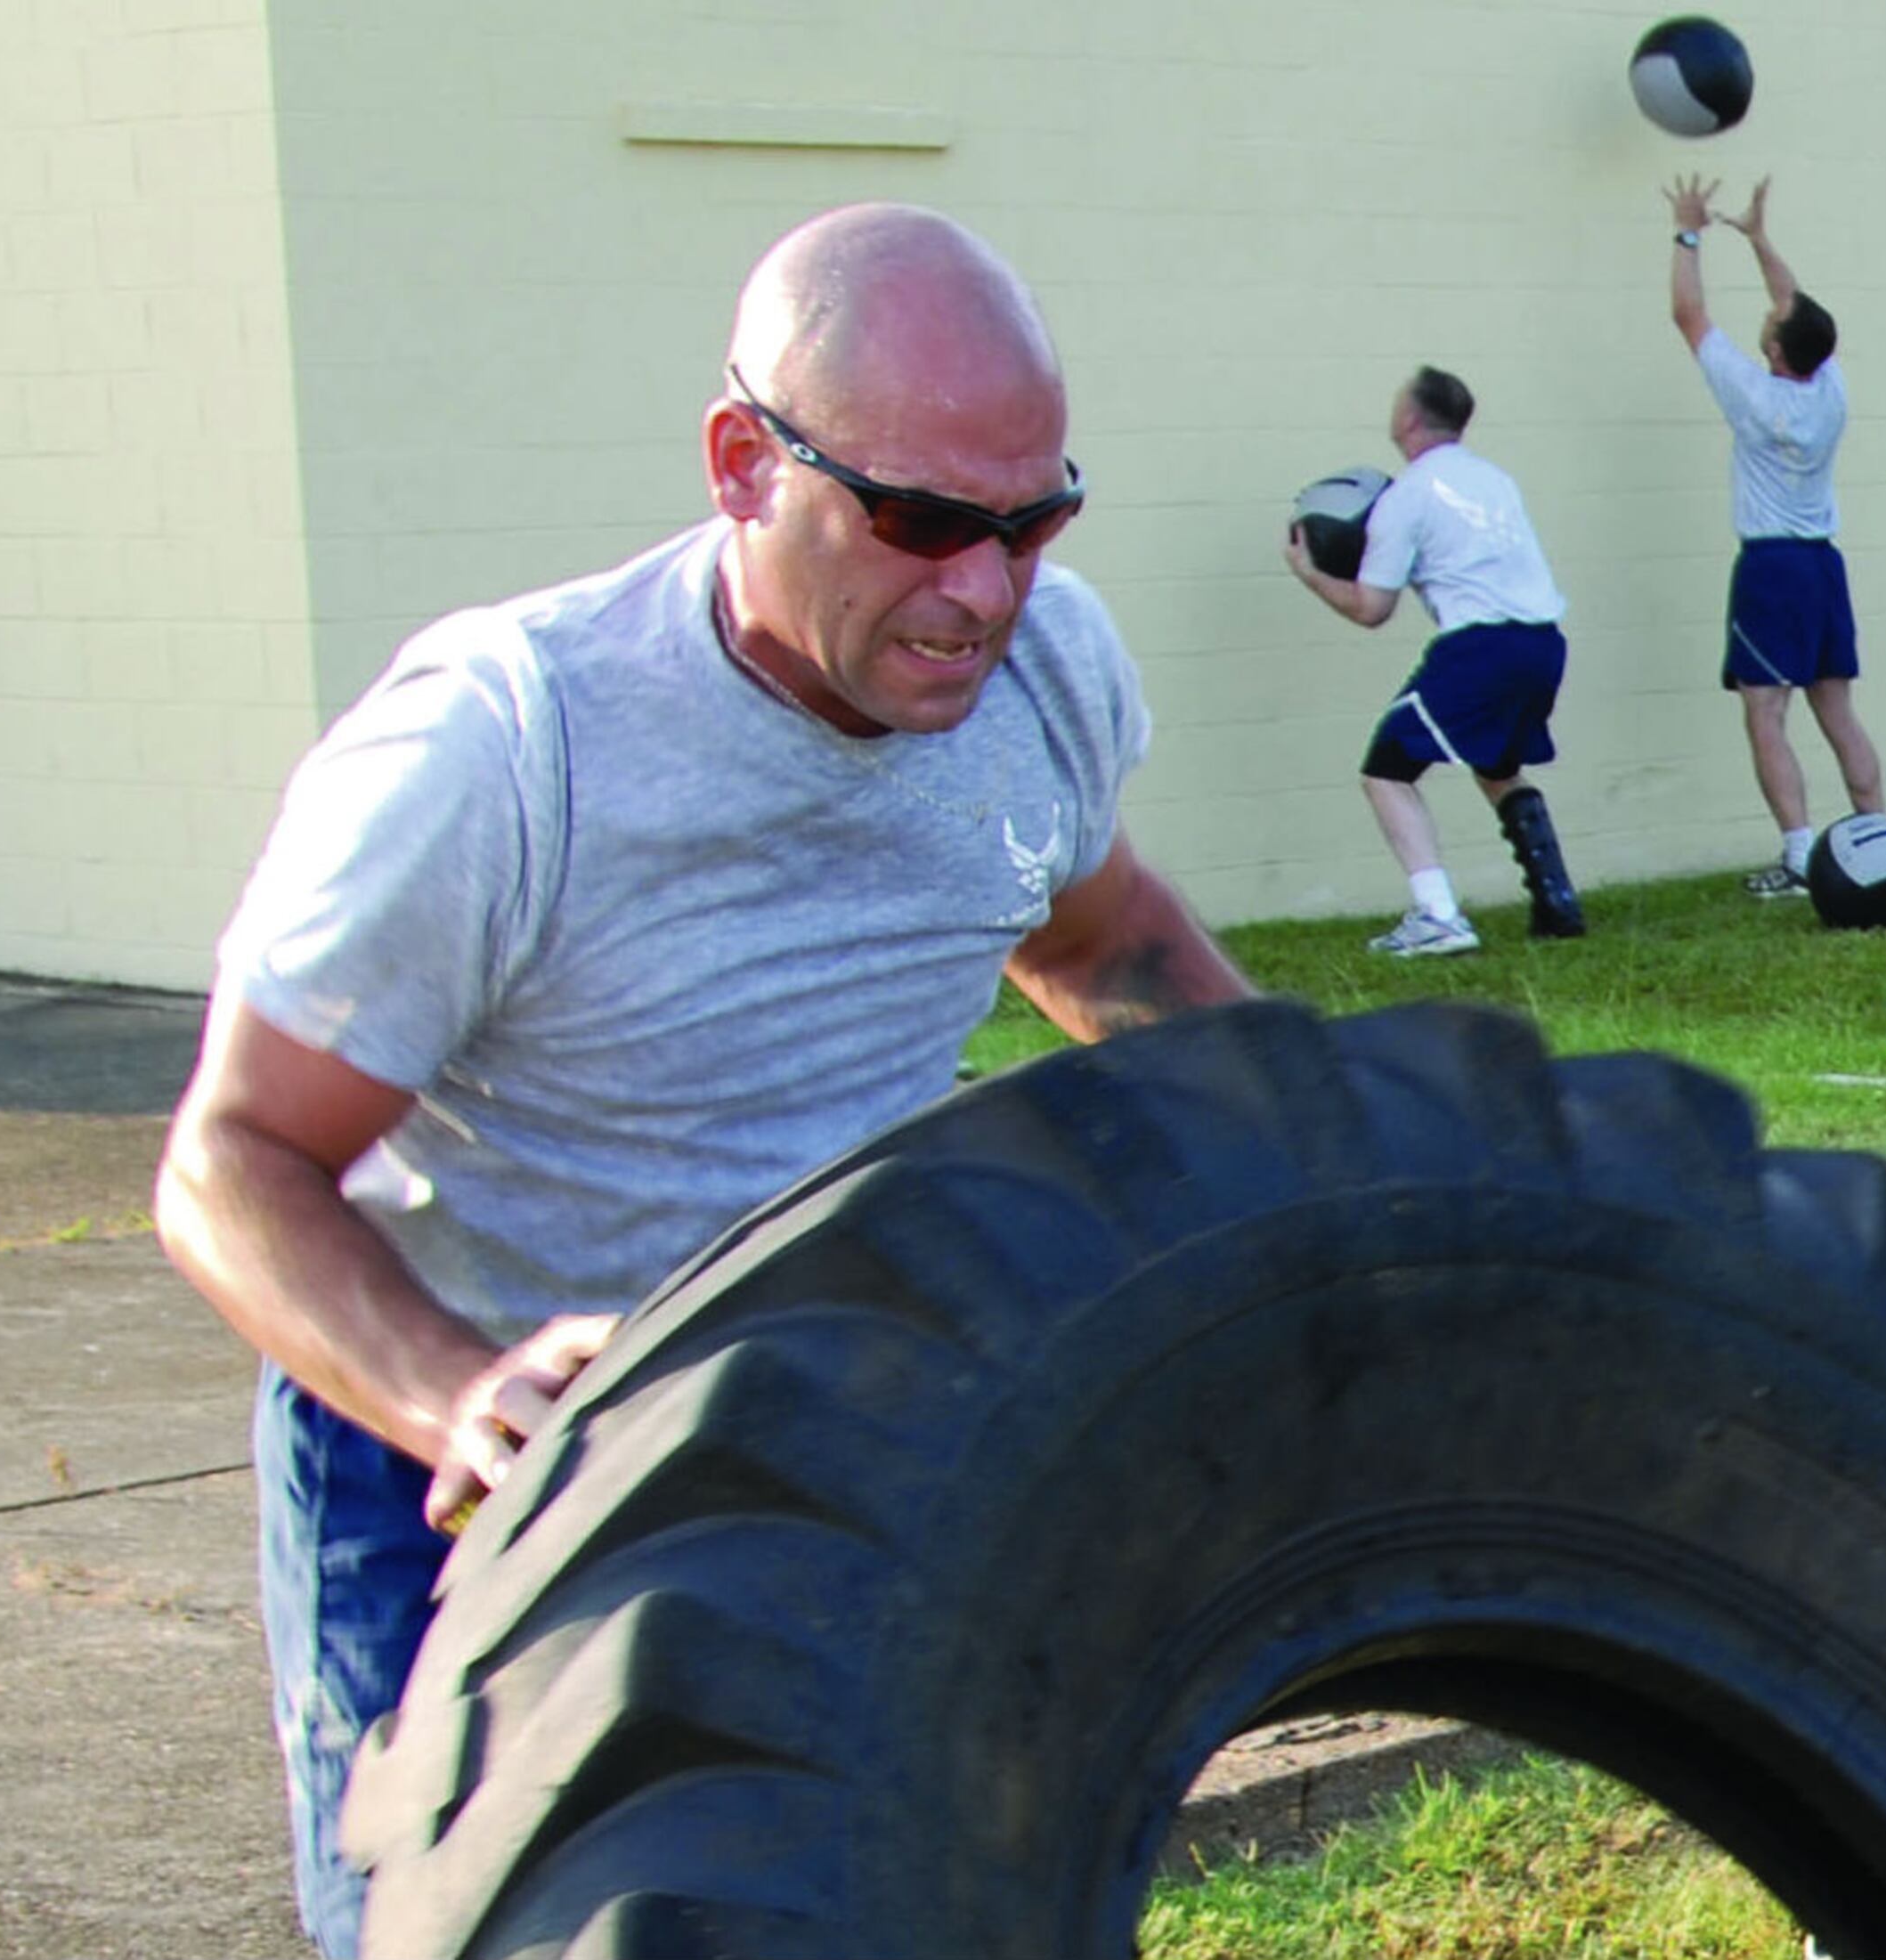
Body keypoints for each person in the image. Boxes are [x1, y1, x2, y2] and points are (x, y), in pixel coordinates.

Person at [151, 204, 1253, 1957]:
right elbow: (232, 1160)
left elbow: (1103, 937)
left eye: (1034, 520)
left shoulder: (1042, 671)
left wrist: (1317, 1151)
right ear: (746, 463)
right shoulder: (502, 750)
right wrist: (459, 1396)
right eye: (920, 522)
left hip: (823, 1409)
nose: (984, 589)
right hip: (456, 1446)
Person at [1285, 367, 1587, 951]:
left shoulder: (1407, 496)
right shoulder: (1495, 480)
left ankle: (1439, 917)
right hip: (1544, 643)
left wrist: (1310, 574)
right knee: (1498, 768)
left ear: (1409, 419)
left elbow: (1372, 609)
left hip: (1482, 647)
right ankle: (1558, 904)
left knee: (1385, 771)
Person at [1662, 173, 1886, 898]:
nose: (1769, 314)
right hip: (1824, 567)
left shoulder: (1757, 396)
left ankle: (1797, 855)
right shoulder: (1831, 386)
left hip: (1771, 567)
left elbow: (1688, 313)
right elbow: (1797, 308)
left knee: (1766, 708)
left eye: (1771, 321)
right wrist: (1759, 239)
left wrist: (1689, 230)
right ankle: (1879, 833)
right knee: (1837, 708)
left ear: (1778, 350)